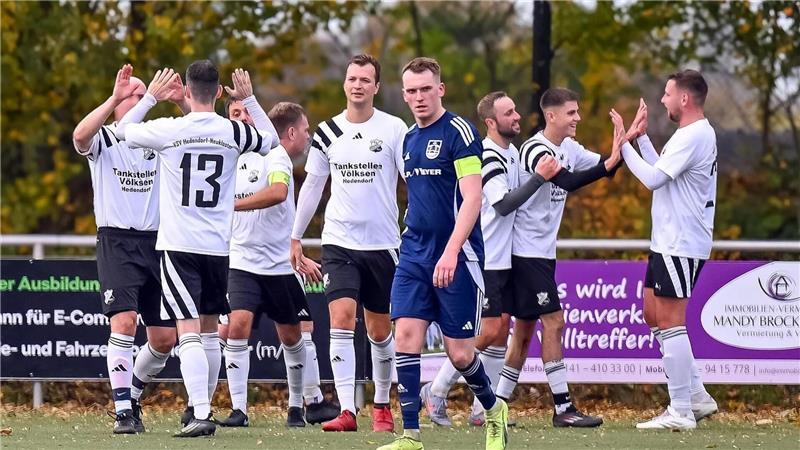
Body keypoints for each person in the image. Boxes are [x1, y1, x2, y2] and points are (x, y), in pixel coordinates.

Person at [116, 60, 276, 438]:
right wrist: (251, 101)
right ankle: (197, 407)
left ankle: (200, 412)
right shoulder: (234, 132)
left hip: (179, 244)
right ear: (220, 93)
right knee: (207, 331)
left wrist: (151, 97)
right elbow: (270, 140)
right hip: (218, 248)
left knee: (187, 331)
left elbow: (123, 130)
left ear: (186, 92)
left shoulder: (171, 129)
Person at [379, 57, 508, 450]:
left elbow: (473, 197)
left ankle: (494, 409)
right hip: (414, 254)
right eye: (412, 91)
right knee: (404, 335)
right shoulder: (407, 140)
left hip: (459, 256)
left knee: (459, 353)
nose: (419, 97)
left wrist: (452, 251)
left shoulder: (459, 132)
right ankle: (411, 436)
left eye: (425, 89)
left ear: (441, 89)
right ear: (404, 95)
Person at [421, 91, 561, 427]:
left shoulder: (512, 152)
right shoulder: (486, 154)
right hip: (485, 259)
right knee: (488, 331)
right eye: (508, 112)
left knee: (499, 334)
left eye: (515, 110)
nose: (517, 116)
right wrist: (540, 177)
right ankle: (436, 389)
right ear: (490, 122)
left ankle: (484, 409)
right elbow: (501, 204)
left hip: (504, 258)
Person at [290, 54, 407, 433]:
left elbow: (414, 183)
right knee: (340, 320)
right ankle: (346, 410)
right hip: (339, 243)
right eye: (352, 78)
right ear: (345, 83)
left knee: (378, 331)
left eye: (365, 79)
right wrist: (295, 236)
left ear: (376, 86)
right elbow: (312, 187)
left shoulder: (394, 129)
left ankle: (382, 404)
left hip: (383, 245)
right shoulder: (326, 132)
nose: (357, 85)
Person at [494, 87, 622, 429]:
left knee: (522, 333)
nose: (577, 118)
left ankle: (497, 407)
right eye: (572, 113)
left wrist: (623, 145)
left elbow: (601, 167)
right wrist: (611, 160)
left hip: (541, 254)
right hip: (526, 254)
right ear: (552, 116)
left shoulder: (568, 147)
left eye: (578, 112)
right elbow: (569, 181)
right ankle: (563, 407)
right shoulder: (536, 148)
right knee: (555, 323)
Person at [217, 68, 338, 427]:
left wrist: (232, 205)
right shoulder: (226, 156)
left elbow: (279, 193)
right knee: (237, 326)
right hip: (242, 260)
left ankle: (299, 407)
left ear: (258, 118)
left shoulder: (275, 155)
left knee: (293, 335)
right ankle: (239, 409)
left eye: (246, 113)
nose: (241, 119)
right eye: (233, 115)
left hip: (278, 265)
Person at [72, 64, 183, 434]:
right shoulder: (106, 138)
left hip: (157, 242)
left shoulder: (156, 137)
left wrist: (183, 100)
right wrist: (116, 97)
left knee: (165, 340)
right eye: (131, 95)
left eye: (140, 94)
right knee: (123, 322)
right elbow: (79, 136)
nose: (137, 99)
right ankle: (122, 412)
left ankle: (131, 396)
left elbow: (201, 133)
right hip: (117, 241)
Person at [610, 69, 718, 430]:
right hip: (667, 241)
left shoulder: (696, 135)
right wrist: (639, 140)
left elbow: (653, 179)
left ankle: (681, 410)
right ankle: (698, 396)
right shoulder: (688, 134)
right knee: (652, 314)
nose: (662, 100)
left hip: (682, 242)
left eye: (667, 94)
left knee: (671, 320)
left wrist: (622, 143)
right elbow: (662, 170)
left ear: (684, 99)